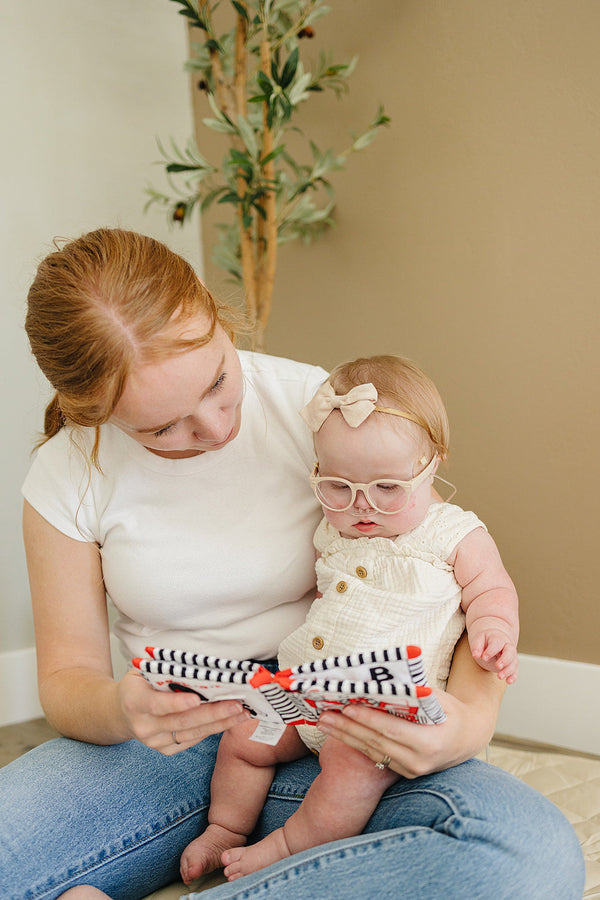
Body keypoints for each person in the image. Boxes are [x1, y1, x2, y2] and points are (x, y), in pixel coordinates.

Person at [0, 228, 584, 900]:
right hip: (165, 747)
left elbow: (450, 567)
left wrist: (470, 724)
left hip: (338, 735)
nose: (217, 429)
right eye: (164, 428)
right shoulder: (68, 471)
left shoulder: (326, 408)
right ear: (93, 412)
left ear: (220, 318)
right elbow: (68, 680)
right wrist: (125, 707)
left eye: (219, 380)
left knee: (524, 853)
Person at [178, 355, 520, 884]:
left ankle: (289, 846)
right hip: (305, 689)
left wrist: (495, 630)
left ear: (433, 466)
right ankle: (225, 826)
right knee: (246, 733)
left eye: (388, 489)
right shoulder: (332, 530)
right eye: (338, 486)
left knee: (347, 769)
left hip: (379, 712)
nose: (362, 507)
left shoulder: (454, 534)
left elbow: (492, 589)